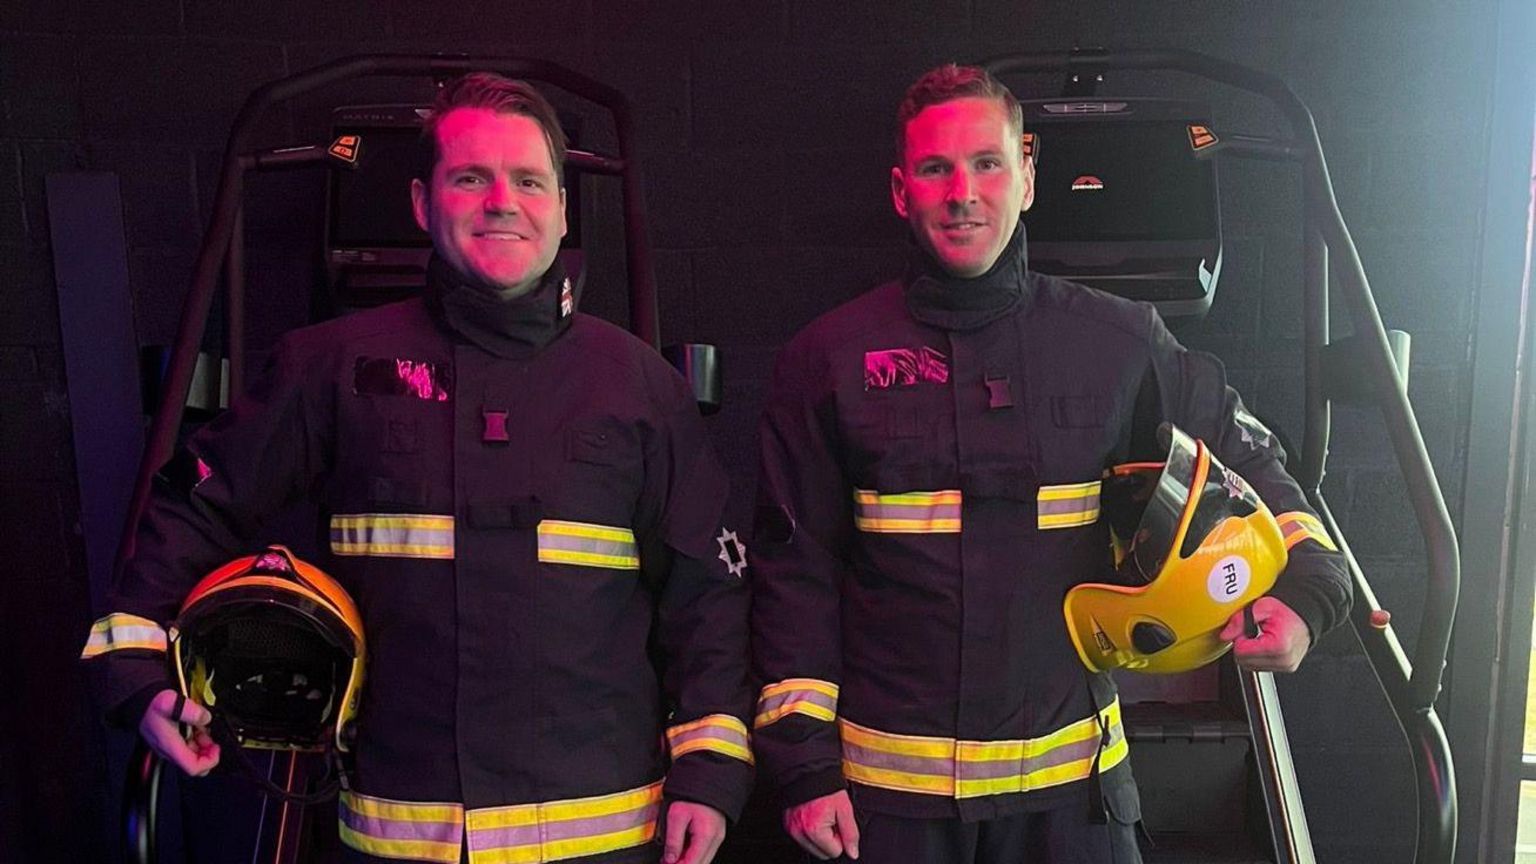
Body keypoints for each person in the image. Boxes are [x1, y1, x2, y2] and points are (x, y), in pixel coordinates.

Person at [80, 72, 754, 864]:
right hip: (392, 838)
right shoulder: (332, 368)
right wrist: (136, 673)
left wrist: (710, 775)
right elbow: (197, 503)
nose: (503, 200)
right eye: (471, 177)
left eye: (530, 181)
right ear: (421, 204)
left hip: (604, 839)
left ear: (562, 209)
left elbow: (706, 598)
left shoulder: (641, 387)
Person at [748, 64, 1352, 864]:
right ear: (902, 190)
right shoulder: (827, 361)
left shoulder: (1120, 343)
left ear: (1027, 177)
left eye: (987, 164)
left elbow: (1247, 457)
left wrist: (1310, 591)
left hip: (1074, 811)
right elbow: (793, 577)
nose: (963, 191)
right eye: (936, 168)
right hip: (884, 814)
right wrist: (802, 768)